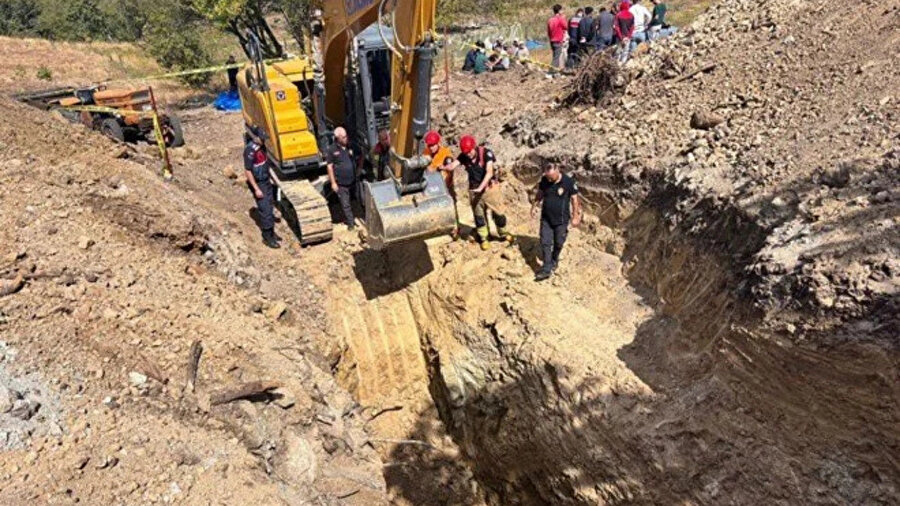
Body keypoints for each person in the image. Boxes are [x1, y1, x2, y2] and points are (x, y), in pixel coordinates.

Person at [457, 135, 512, 250]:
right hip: (475, 190)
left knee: (499, 213)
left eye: (469, 152)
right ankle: (484, 238)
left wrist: (481, 187)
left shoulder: (486, 154)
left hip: (489, 189)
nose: (468, 154)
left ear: (474, 147)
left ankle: (503, 233)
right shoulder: (464, 156)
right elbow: (453, 165)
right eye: (465, 153)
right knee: (479, 216)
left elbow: (489, 172)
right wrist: (442, 167)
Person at [531, 162, 582, 281]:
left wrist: (575, 216)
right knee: (545, 242)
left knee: (559, 242)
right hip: (546, 218)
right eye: (548, 177)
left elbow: (575, 200)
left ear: (557, 170)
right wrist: (534, 206)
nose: (549, 179)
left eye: (552, 177)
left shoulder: (569, 182)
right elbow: (540, 193)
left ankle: (554, 259)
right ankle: (546, 268)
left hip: (561, 220)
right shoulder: (545, 180)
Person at [243, 130, 279, 249]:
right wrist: (256, 189)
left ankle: (272, 233)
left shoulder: (261, 147)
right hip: (258, 183)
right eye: (262, 138)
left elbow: (266, 165)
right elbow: (248, 171)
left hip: (266, 180)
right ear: (256, 137)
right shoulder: (250, 150)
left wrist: (274, 179)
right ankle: (267, 237)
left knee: (270, 205)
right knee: (265, 209)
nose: (264, 140)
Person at [424, 130, 461, 239]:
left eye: (433, 145)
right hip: (431, 186)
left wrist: (438, 171)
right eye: (429, 145)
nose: (431, 148)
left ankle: (455, 230)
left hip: (445, 186)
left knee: (451, 206)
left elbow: (448, 172)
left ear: (438, 143)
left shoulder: (446, 154)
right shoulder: (426, 152)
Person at [326, 127, 359, 230]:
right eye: (343, 137)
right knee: (346, 204)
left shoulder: (351, 145)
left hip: (353, 180)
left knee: (357, 200)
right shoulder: (332, 149)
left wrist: (359, 168)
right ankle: (351, 224)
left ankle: (359, 216)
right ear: (338, 138)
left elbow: (361, 154)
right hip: (341, 183)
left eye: (346, 136)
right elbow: (329, 166)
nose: (346, 138)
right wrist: (333, 183)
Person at [547, 4, 568, 69]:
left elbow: (548, 32)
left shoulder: (550, 20)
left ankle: (555, 72)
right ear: (559, 11)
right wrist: (564, 18)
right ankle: (550, 73)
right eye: (561, 10)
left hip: (552, 40)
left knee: (555, 56)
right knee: (556, 58)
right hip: (558, 40)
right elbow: (566, 27)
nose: (562, 11)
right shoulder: (560, 19)